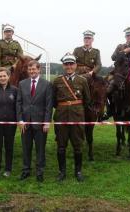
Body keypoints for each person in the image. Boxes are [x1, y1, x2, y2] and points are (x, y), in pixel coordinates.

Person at [53, 53, 91, 182]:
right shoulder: (57, 80)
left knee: (78, 145)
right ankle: (62, 172)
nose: (69, 66)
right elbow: (54, 101)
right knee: (61, 145)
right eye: (66, 64)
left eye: (71, 64)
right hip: (61, 116)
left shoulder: (83, 80)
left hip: (77, 116)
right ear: (63, 65)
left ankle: (78, 171)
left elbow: (87, 100)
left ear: (75, 65)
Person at [16, 60, 53, 182]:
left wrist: (47, 122)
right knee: (26, 148)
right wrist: (20, 120)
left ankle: (40, 171)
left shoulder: (47, 84)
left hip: (40, 123)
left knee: (40, 148)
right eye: (30, 69)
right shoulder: (22, 84)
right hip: (25, 123)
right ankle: (26, 170)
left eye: (34, 69)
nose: (32, 71)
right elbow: (19, 103)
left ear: (39, 70)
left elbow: (49, 105)